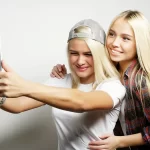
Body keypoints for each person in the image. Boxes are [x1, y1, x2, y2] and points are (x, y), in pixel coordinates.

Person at [0, 19, 125, 150]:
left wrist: (25, 86)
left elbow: (81, 102)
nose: (80, 61)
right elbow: (18, 105)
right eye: (74, 53)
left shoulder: (113, 86)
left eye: (88, 54)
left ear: (99, 55)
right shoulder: (60, 80)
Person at [50, 10, 150, 150]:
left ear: (139, 43)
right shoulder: (109, 73)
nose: (114, 43)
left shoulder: (141, 81)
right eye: (112, 34)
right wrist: (62, 72)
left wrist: (120, 141)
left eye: (125, 38)